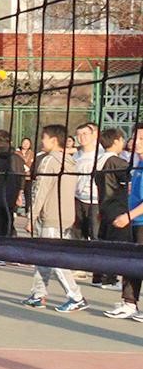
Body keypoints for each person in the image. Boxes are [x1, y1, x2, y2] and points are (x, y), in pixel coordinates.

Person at [21, 125, 86, 313]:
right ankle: (38, 294)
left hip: (52, 216)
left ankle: (76, 297)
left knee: (54, 257)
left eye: (44, 137)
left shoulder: (50, 160)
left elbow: (40, 190)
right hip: (65, 215)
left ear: (54, 140)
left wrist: (31, 217)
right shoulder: (71, 161)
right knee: (43, 255)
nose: (42, 141)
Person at [98, 127, 134, 314]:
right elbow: (130, 179)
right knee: (121, 246)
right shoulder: (116, 161)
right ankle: (110, 278)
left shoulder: (100, 159)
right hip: (118, 208)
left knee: (107, 243)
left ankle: (104, 276)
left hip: (105, 205)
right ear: (117, 141)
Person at [108, 124, 143, 321]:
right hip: (135, 222)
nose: (137, 143)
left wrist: (128, 216)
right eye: (136, 138)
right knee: (131, 263)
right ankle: (129, 303)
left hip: (139, 221)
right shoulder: (137, 164)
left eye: (142, 139)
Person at [68, 122, 109, 286]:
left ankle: (100, 273)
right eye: (79, 134)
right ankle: (80, 267)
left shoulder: (102, 155)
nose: (82, 137)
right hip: (78, 198)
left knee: (96, 235)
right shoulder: (76, 156)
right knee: (77, 233)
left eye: (85, 134)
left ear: (94, 135)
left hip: (96, 200)